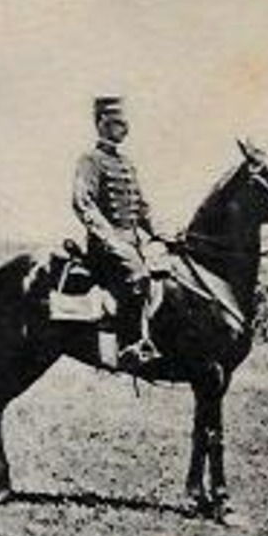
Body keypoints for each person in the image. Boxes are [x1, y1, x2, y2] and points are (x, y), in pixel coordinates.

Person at [73, 94, 164, 368]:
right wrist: (110, 238)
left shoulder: (127, 163)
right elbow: (83, 203)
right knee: (138, 274)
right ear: (101, 123)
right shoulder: (91, 160)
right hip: (106, 246)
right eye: (117, 123)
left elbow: (142, 209)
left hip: (133, 243)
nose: (124, 129)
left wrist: (163, 233)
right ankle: (130, 346)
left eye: (125, 124)